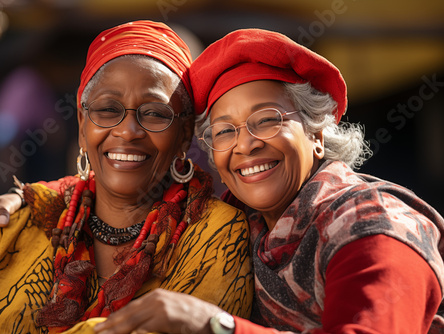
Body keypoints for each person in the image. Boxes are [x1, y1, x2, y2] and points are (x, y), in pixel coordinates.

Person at [87, 28, 444, 333]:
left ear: (317, 133)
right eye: (225, 131)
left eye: (267, 120)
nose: (245, 144)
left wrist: (215, 324)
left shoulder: (372, 225)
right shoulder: (232, 223)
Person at [0, 21, 253, 333]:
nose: (128, 131)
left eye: (155, 113)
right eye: (107, 109)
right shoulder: (11, 225)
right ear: (81, 125)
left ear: (185, 134)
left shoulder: (218, 235)